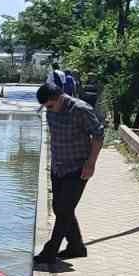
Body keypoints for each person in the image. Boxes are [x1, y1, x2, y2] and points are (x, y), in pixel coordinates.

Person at [35, 81, 105, 266]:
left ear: (58, 99)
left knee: (64, 210)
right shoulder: (51, 109)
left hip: (78, 168)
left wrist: (91, 163)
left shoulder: (80, 110)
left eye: (49, 106)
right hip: (58, 167)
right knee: (60, 208)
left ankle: (50, 252)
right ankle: (76, 247)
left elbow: (98, 135)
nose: (48, 110)